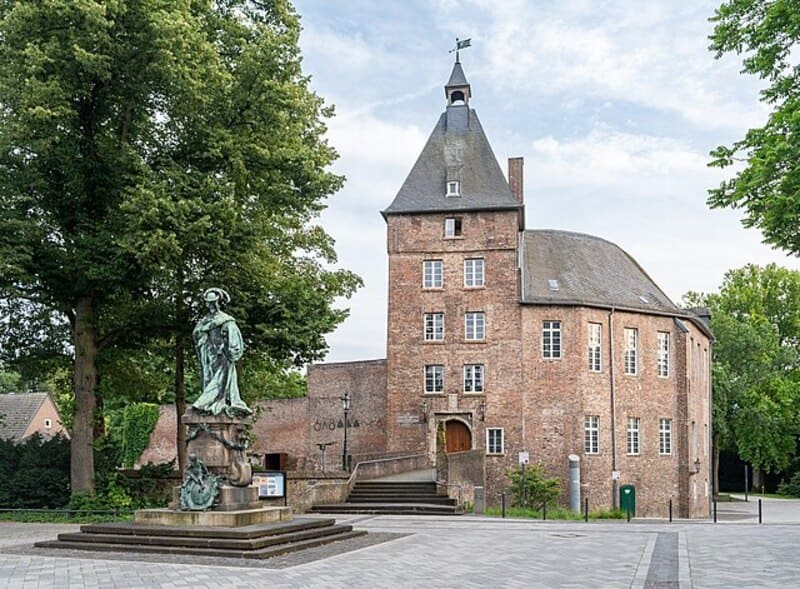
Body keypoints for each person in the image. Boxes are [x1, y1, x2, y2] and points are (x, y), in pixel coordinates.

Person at [191, 287, 252, 416]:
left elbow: (234, 342)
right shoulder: (204, 320)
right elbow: (196, 334)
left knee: (221, 381)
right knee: (207, 378)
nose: (210, 305)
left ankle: (206, 403)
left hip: (222, 356)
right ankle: (208, 404)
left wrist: (228, 352)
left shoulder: (226, 320)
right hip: (207, 356)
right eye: (208, 302)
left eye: (213, 302)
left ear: (219, 302)